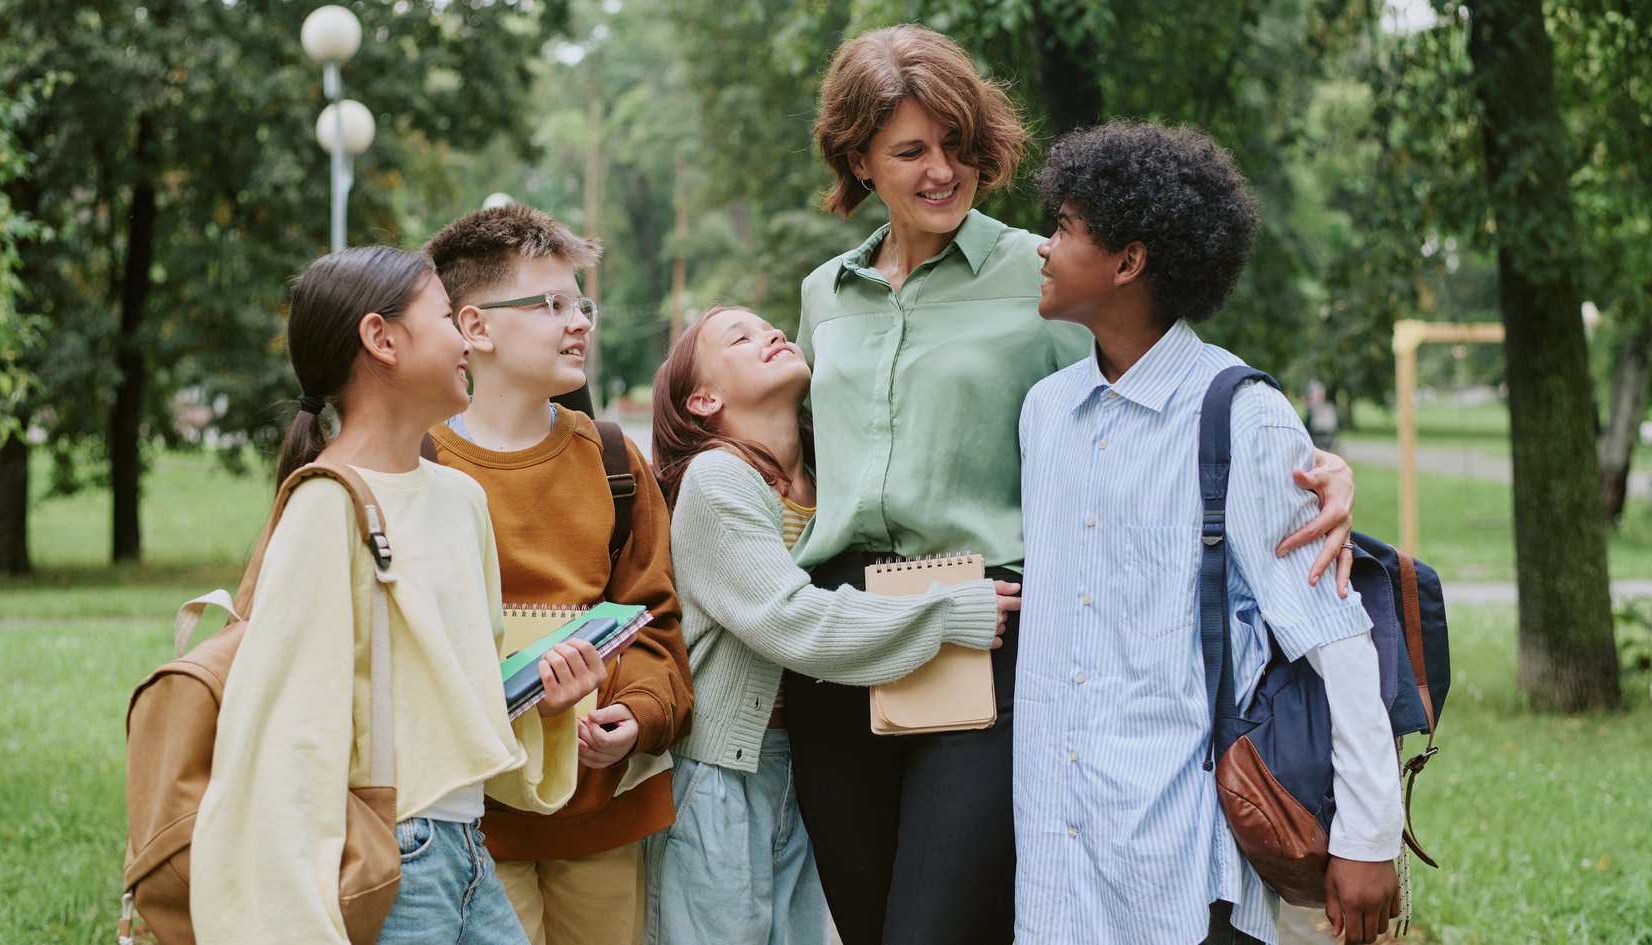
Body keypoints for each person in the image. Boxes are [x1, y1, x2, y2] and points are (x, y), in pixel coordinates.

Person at [789, 24, 1362, 945]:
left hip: (985, 627)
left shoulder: (1044, 274)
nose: (943, 170)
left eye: (958, 144)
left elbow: (1170, 387)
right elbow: (784, 451)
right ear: (858, 158)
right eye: (911, 150)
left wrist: (1324, 470)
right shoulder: (826, 292)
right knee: (863, 926)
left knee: (935, 929)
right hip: (843, 635)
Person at [1015, 122, 1403, 945]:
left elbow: (1338, 637)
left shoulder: (1243, 419)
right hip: (1054, 859)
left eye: (1065, 228)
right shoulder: (1044, 413)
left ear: (1128, 262)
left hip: (1181, 862)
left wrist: (1370, 836)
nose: (1043, 248)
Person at [190, 245, 612, 944]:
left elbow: (461, 694)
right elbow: (284, 739)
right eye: (446, 315)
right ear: (382, 339)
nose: (462, 338)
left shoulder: (461, 500)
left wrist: (549, 701)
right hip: (394, 851)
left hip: (469, 845)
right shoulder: (327, 507)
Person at [641, 305, 1021, 945]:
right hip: (723, 775)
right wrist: (947, 613)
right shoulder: (716, 478)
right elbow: (792, 618)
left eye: (773, 328)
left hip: (807, 765)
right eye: (741, 336)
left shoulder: (829, 486)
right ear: (702, 399)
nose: (772, 334)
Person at [420, 205, 695, 945]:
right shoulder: (420, 468)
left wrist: (635, 714)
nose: (579, 321)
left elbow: (654, 620)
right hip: (471, 821)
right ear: (475, 329)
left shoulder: (613, 461)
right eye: (549, 304)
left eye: (582, 303)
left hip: (600, 813)